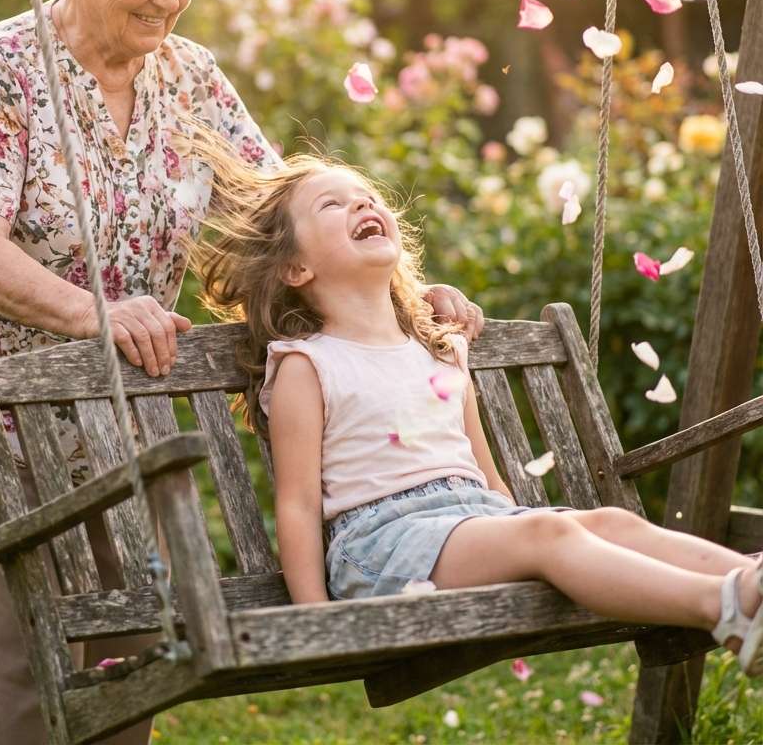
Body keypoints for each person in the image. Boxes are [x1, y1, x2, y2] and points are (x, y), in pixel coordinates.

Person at [0, 0, 486, 745]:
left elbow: (281, 214)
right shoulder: (4, 67)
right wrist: (97, 314)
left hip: (122, 399)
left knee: (137, 648)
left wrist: (405, 291)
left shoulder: (190, 77)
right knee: (18, 659)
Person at [191, 140, 763, 678]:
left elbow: (483, 473)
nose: (361, 203)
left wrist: (507, 531)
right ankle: (727, 608)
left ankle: (748, 581)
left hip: (470, 521)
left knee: (609, 523)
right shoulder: (307, 365)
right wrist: (318, 622)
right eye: (331, 205)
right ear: (296, 269)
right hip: (381, 548)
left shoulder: (439, 352)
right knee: (549, 534)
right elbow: (297, 504)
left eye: (364, 196)